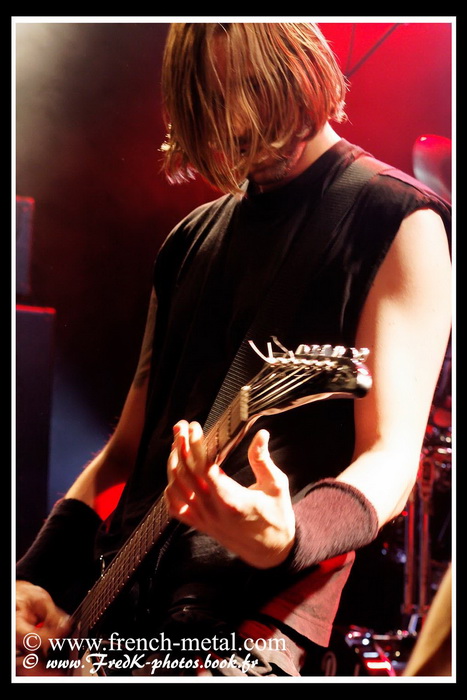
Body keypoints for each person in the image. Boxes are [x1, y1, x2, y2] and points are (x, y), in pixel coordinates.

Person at [16, 22, 452, 678]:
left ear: (300, 67)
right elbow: (126, 454)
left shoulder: (398, 220)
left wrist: (287, 535)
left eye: (250, 90)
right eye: (212, 103)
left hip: (249, 633)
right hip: (114, 620)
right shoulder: (188, 242)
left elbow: (390, 458)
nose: (235, 124)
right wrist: (34, 577)